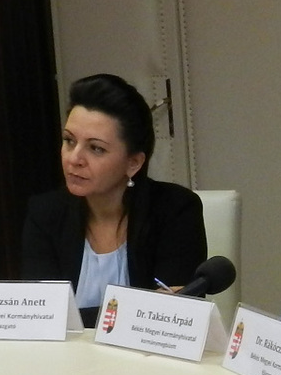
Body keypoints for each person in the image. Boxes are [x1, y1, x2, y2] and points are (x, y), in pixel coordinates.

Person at [21, 73, 207, 322]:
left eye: (96, 148)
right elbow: (40, 316)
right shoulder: (45, 214)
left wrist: (75, 318)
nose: (74, 158)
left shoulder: (175, 210)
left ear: (133, 163)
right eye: (69, 141)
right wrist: (138, 308)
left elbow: (172, 318)